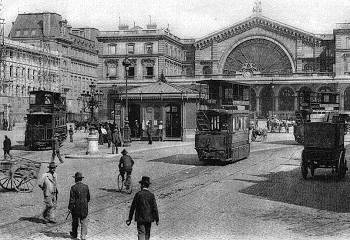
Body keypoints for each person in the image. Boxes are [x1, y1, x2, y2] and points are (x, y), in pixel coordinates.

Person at [68, 172, 90, 240]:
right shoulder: (86, 187)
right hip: (84, 207)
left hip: (76, 208)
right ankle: (83, 236)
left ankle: (74, 235)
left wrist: (70, 208)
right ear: (81, 179)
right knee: (84, 221)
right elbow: (88, 198)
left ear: (75, 179)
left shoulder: (73, 188)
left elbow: (72, 200)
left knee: (75, 222)